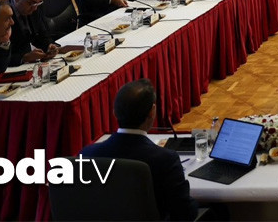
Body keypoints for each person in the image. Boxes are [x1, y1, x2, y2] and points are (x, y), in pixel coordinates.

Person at [80, 79, 199, 221]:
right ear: (152, 111)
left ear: (114, 113)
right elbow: (185, 213)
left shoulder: (87, 155)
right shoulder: (166, 160)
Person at [7, 0, 57, 66]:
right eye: (31, 3)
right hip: (13, 67)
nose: (35, 8)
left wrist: (49, 46)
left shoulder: (35, 6)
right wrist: (23, 58)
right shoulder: (3, 17)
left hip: (32, 63)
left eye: (38, 3)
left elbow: (43, 34)